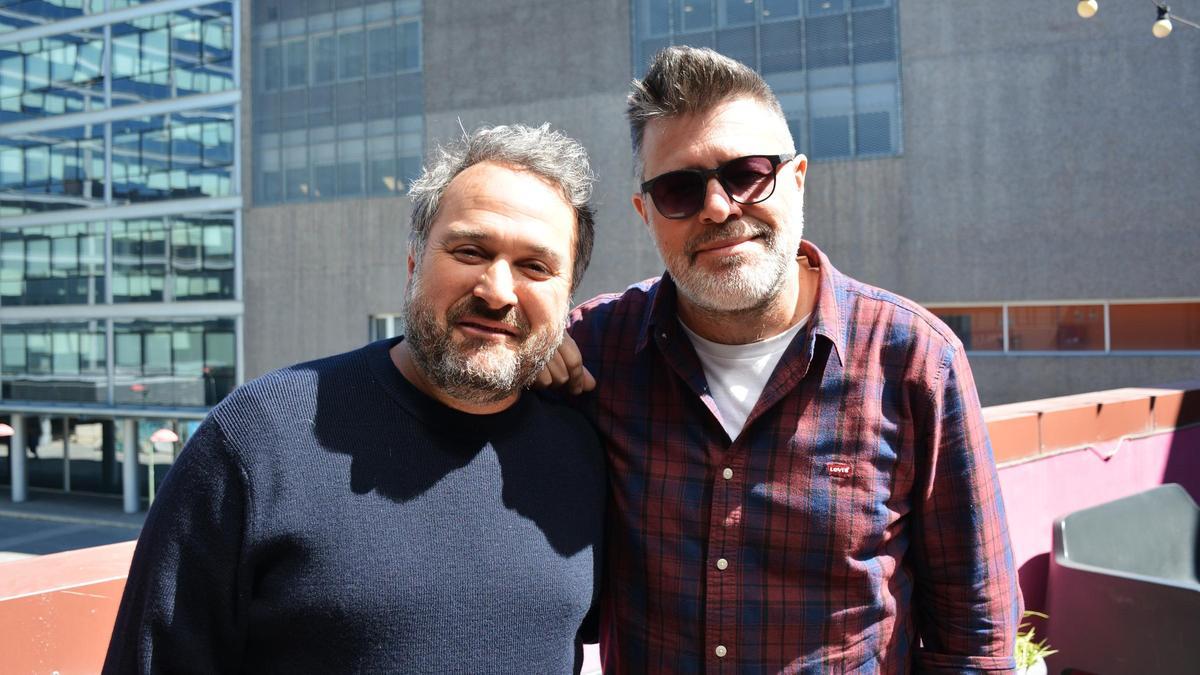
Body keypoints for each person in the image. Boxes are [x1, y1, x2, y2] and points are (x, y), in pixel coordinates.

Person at [556, 47, 1023, 672]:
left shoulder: (914, 359)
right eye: (679, 190)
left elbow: (977, 631)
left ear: (797, 178)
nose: (719, 208)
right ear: (647, 213)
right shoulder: (595, 349)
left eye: (747, 173)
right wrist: (526, 352)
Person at [103, 124, 606, 673]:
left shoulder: (581, 451)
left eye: (536, 267)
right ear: (413, 265)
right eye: (469, 250)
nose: (497, 291)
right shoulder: (257, 439)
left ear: (567, 298)